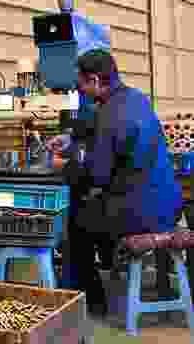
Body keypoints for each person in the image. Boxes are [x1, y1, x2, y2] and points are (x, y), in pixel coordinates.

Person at [46, 49, 182, 317]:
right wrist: (71, 143)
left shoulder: (110, 114)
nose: (80, 91)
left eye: (81, 85)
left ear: (95, 80)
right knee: (97, 209)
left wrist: (64, 167)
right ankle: (106, 276)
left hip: (141, 214)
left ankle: (89, 301)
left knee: (77, 222)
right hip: (169, 205)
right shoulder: (136, 99)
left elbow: (98, 175)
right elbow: (109, 140)